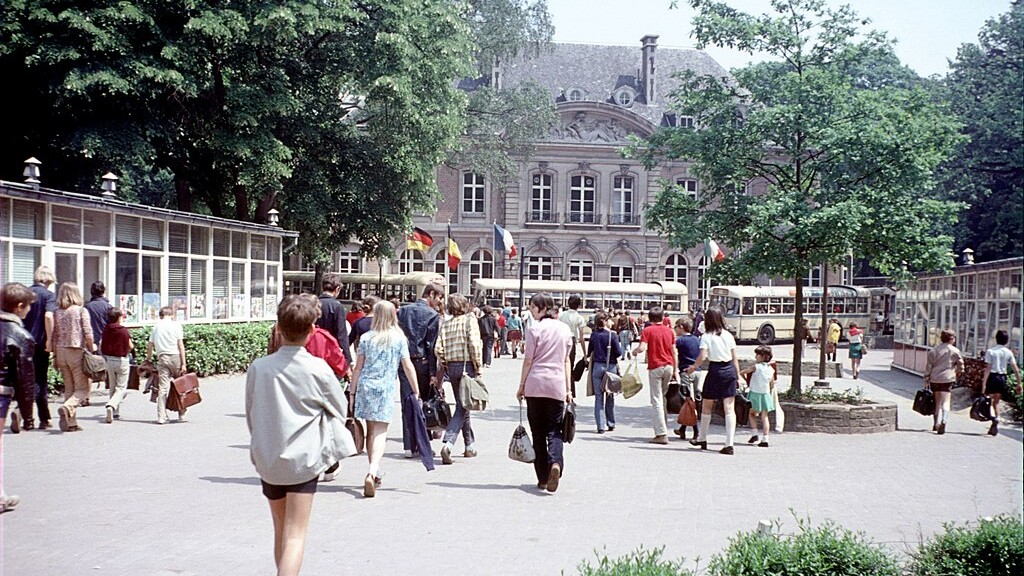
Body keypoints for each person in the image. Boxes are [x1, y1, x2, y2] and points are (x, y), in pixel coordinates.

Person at [246, 294, 355, 576]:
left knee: (280, 532)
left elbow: (251, 412)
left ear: (278, 329)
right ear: (311, 331)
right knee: (296, 535)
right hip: (304, 459)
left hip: (268, 457)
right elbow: (339, 407)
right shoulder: (318, 368)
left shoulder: (259, 367)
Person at [351, 300, 421, 496]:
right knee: (381, 431)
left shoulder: (366, 338)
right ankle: (372, 471)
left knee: (370, 431)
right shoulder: (398, 338)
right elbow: (407, 365)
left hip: (366, 386)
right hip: (385, 388)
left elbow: (358, 367)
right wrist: (415, 389)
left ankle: (376, 471)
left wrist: (352, 391)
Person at [517, 293, 573, 493]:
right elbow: (567, 360)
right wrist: (568, 389)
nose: (531, 311)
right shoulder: (565, 329)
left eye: (532, 307)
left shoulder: (534, 329)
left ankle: (542, 478)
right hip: (556, 385)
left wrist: (521, 385)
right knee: (554, 430)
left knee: (538, 433)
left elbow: (528, 360)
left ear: (541, 308)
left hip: (535, 385)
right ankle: (556, 464)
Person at [685, 307, 742, 455]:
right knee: (729, 408)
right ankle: (729, 443)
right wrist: (738, 376)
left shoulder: (706, 336)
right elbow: (734, 358)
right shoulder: (728, 335)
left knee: (706, 405)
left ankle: (702, 438)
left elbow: (702, 356)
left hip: (715, 370)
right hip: (729, 370)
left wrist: (693, 367)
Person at [1, 282, 38, 511]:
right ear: (19, 306)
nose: (29, 311)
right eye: (28, 307)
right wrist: (27, 414)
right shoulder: (21, 335)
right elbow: (24, 379)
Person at [396, 283, 444, 457]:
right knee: (424, 404)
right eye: (439, 297)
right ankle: (424, 444)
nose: (439, 302)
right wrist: (433, 373)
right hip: (422, 363)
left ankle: (409, 445)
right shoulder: (432, 315)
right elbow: (430, 346)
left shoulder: (402, 311)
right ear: (431, 294)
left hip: (404, 361)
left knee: (406, 401)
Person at [434, 294, 483, 464]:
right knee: (463, 407)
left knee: (463, 405)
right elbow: (475, 345)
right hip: (466, 366)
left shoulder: (446, 324)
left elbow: (438, 349)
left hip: (452, 367)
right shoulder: (469, 321)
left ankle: (469, 445)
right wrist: (478, 367)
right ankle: (448, 443)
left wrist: (446, 362)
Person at [52, 283, 95, 432]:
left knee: (69, 388)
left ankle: (71, 423)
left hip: (60, 351)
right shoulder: (81, 311)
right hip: (75, 350)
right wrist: (92, 348)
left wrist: (55, 356)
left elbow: (54, 335)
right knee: (82, 388)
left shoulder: (57, 312)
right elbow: (88, 332)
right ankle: (67, 407)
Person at [633, 306, 679, 445]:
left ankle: (661, 433)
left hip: (656, 367)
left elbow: (642, 348)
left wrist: (635, 351)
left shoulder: (648, 330)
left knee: (656, 399)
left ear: (650, 318)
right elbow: (674, 351)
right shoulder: (670, 331)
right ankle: (663, 426)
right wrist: (676, 370)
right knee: (663, 398)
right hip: (669, 366)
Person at [19, 266, 56, 430]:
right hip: (40, 343)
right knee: (40, 379)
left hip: (22, 342)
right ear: (48, 279)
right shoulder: (48, 295)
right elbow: (48, 316)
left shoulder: (25, 293)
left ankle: (26, 418)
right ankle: (44, 418)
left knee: (25, 379)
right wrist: (49, 340)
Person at [145, 306, 187, 424]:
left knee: (163, 388)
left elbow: (150, 345)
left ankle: (161, 416)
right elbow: (180, 345)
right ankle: (181, 412)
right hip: (175, 357)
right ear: (172, 314)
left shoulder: (156, 327)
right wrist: (184, 363)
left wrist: (148, 359)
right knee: (180, 385)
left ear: (160, 315)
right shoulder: (176, 325)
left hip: (162, 358)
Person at [923, 329, 964, 435]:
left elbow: (928, 367)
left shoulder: (934, 350)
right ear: (951, 339)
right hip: (947, 379)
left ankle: (935, 424)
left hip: (935, 378)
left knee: (937, 402)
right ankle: (944, 420)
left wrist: (926, 379)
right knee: (946, 402)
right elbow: (961, 365)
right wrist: (957, 371)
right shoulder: (955, 351)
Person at [981, 330, 1022, 437]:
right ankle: (997, 419)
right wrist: (1019, 383)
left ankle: (993, 419)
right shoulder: (1008, 352)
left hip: (992, 377)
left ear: (996, 339)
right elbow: (1015, 369)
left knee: (989, 401)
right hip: (1002, 378)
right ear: (1007, 340)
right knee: (997, 402)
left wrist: (984, 383)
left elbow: (988, 368)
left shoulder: (991, 351)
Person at [586, 312, 621, 434]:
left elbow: (590, 350)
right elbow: (618, 353)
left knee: (598, 397)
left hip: (597, 367)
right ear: (605, 321)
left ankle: (600, 426)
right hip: (610, 367)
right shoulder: (613, 335)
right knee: (610, 395)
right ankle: (611, 423)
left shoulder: (594, 335)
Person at [101, 308, 134, 424]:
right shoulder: (123, 331)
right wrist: (127, 351)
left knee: (112, 386)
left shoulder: (106, 329)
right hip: (121, 360)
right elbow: (131, 346)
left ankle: (115, 412)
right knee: (121, 388)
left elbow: (102, 345)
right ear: (119, 317)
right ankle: (111, 405)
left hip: (109, 360)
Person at [316, 273, 354, 369]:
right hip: (330, 351)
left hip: (314, 349)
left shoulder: (313, 303)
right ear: (337, 289)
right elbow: (341, 334)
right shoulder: (337, 306)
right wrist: (347, 359)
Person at [741, 345, 775, 447]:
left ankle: (755, 433)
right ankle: (765, 438)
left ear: (762, 356)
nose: (756, 356)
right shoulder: (771, 369)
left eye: (757, 355)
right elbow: (772, 383)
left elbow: (742, 372)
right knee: (764, 416)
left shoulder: (756, 367)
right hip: (765, 394)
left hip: (755, 393)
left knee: (751, 413)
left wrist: (747, 381)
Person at [674, 318, 702, 440]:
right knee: (692, 400)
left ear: (681, 327)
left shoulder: (680, 341)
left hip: (686, 372)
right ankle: (682, 429)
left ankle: (696, 431)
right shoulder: (697, 340)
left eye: (676, 327)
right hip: (698, 372)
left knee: (688, 402)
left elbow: (675, 356)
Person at [558, 295, 587, 396]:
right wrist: (585, 354)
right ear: (578, 305)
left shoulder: (561, 315)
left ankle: (559, 392)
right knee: (569, 367)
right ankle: (570, 393)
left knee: (560, 367)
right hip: (571, 341)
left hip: (560, 341)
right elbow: (581, 338)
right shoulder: (579, 318)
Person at [83, 281, 112, 347]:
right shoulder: (108, 307)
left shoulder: (87, 307)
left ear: (91, 292)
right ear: (103, 291)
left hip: (91, 342)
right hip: (105, 341)